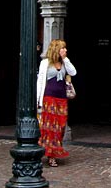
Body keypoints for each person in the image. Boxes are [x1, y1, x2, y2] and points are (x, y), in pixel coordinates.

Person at [37, 38, 77, 167]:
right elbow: (40, 81)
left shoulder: (64, 63)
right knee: (50, 128)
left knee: (60, 127)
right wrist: (38, 101)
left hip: (62, 99)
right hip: (49, 98)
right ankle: (50, 155)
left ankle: (54, 150)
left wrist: (65, 59)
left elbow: (73, 72)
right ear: (56, 49)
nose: (65, 50)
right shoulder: (45, 63)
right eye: (62, 48)